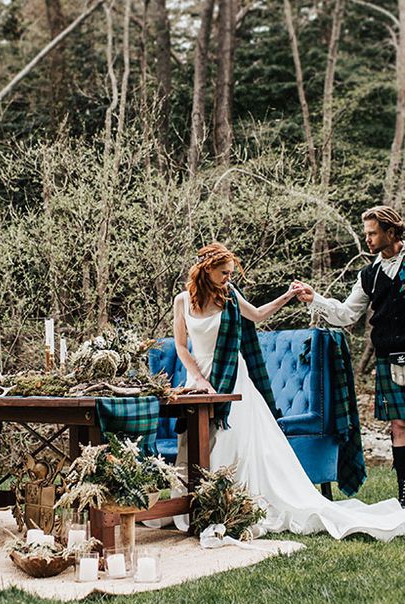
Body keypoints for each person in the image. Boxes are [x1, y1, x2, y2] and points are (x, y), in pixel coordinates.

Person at [172, 241, 405, 540]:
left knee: (232, 442)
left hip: (233, 375)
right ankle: (190, 506)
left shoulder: (230, 296)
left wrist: (288, 295)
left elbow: (256, 315)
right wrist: (198, 378)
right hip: (199, 377)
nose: (229, 278)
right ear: (206, 270)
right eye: (224, 273)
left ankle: (229, 505)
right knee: (189, 442)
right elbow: (181, 345)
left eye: (231, 273)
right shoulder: (182, 301)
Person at [292, 205, 405, 508]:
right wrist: (313, 298)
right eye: (366, 234)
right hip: (389, 357)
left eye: (373, 233)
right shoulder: (369, 275)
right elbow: (345, 314)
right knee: (399, 425)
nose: (368, 239)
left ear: (391, 232)